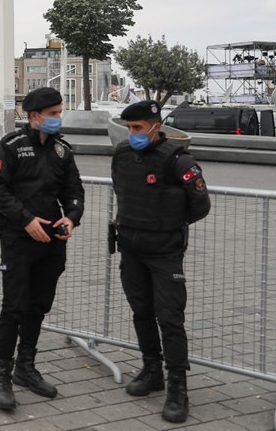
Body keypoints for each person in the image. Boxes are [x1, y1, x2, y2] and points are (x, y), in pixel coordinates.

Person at [0, 87, 84, 411]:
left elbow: (75, 192)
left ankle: (25, 367)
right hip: (18, 237)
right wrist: (26, 220)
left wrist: (70, 218)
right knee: (14, 306)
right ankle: (2, 376)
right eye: (53, 113)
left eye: (59, 112)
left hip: (51, 241)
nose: (58, 118)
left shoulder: (62, 151)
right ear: (35, 115)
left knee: (38, 305)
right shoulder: (11, 146)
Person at [111, 100, 210, 423]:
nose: (133, 134)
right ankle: (151, 370)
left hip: (164, 252)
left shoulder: (179, 161)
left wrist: (166, 224)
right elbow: (121, 193)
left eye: (138, 128)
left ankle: (178, 388)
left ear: (156, 125)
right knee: (141, 312)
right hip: (131, 248)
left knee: (169, 318)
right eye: (129, 128)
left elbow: (200, 205)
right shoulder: (123, 154)